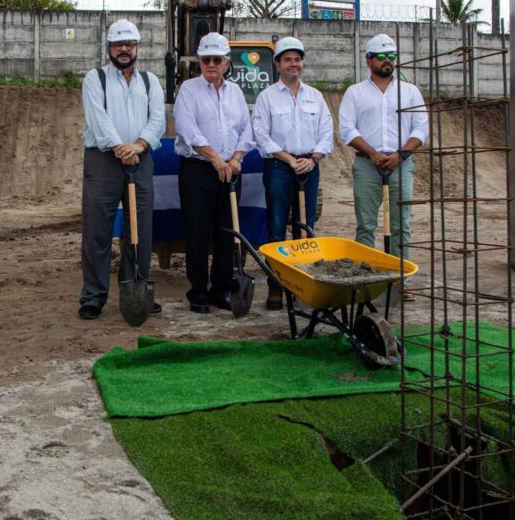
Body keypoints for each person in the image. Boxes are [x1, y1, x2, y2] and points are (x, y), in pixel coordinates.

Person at [78, 19, 165, 320]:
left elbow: (158, 119)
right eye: (118, 45)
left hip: (140, 160)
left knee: (139, 230)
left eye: (129, 44)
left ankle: (136, 288)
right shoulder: (95, 78)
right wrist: (120, 148)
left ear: (136, 47)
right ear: (109, 49)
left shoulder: (150, 81)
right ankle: (93, 296)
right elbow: (97, 118)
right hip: (103, 161)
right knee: (97, 231)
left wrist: (139, 146)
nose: (124, 50)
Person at [173, 32, 255, 314]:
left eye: (216, 59)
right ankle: (198, 291)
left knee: (226, 232)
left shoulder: (236, 93)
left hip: (230, 170)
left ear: (226, 63)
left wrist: (236, 158)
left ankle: (221, 289)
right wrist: (216, 159)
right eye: (206, 59)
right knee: (196, 231)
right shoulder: (188, 90)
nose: (211, 64)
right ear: (199, 61)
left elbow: (247, 128)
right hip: (198, 170)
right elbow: (187, 130)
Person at [252, 36, 333, 310]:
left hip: (309, 169)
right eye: (287, 59)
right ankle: (276, 288)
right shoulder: (267, 97)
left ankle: (303, 286)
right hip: (279, 169)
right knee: (276, 230)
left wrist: (313, 158)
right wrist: (289, 159)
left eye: (297, 59)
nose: (293, 64)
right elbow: (261, 135)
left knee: (305, 230)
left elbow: (326, 133)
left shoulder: (316, 97)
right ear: (277, 64)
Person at [339, 33, 429, 261]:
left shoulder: (410, 92)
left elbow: (420, 129)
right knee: (366, 225)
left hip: (401, 165)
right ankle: (366, 278)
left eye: (391, 55)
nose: (387, 60)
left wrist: (401, 154)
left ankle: (401, 280)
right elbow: (347, 129)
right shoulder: (355, 92)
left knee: (401, 225)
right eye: (381, 56)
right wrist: (372, 153)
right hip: (366, 165)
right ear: (368, 60)